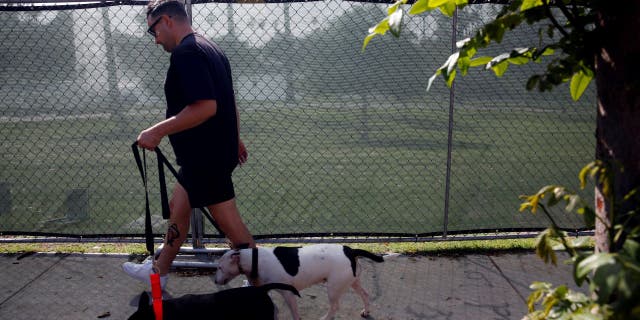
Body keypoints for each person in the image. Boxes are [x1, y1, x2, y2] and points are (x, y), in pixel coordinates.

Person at [123, 0, 255, 288]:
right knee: (178, 208)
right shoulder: (210, 47)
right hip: (207, 155)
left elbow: (206, 106)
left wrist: (156, 131)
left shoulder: (187, 53)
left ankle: (262, 280)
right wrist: (235, 139)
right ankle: (159, 270)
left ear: (168, 20)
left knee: (230, 224)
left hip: (205, 157)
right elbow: (227, 100)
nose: (155, 40)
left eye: (153, 31)